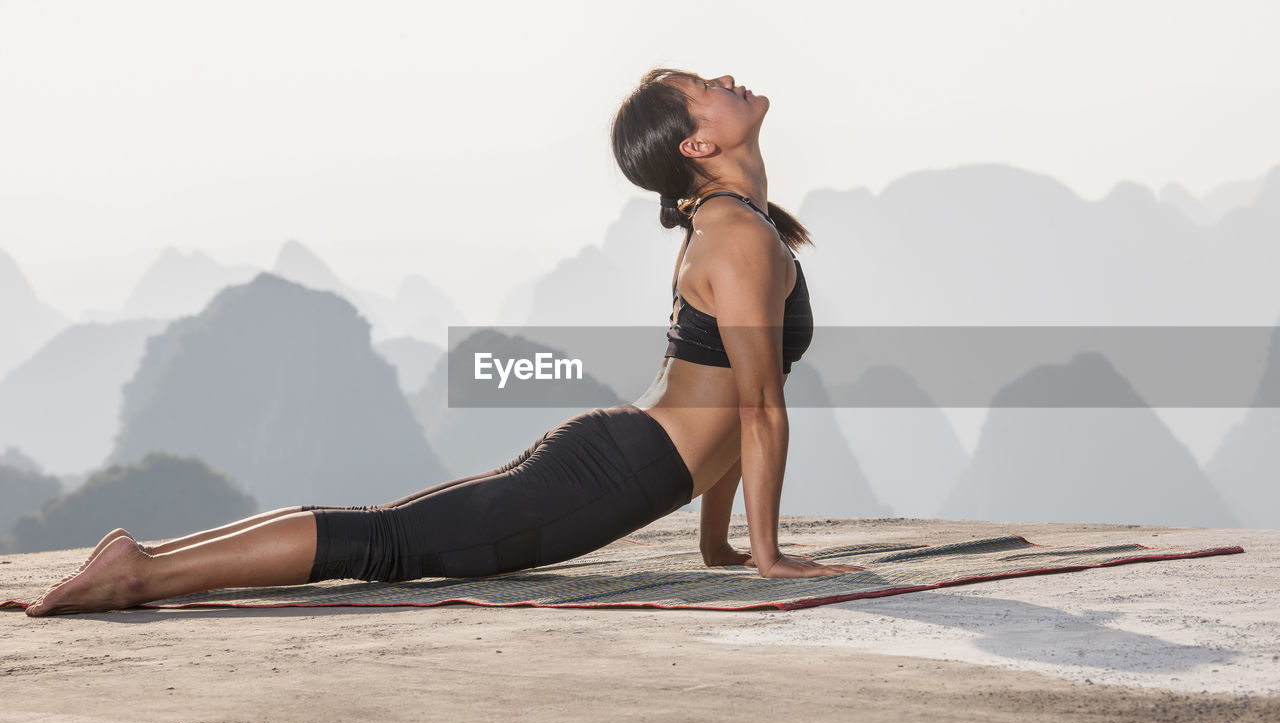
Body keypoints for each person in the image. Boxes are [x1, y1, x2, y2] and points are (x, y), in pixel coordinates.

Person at [24, 68, 863, 617]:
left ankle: (146, 559)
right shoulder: (738, 236)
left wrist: (720, 544)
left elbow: (726, 391)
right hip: (615, 468)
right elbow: (754, 407)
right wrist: (768, 557)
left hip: (622, 456)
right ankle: (145, 572)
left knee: (393, 528)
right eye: (700, 86)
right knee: (392, 543)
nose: (723, 78)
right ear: (698, 145)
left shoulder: (733, 226)